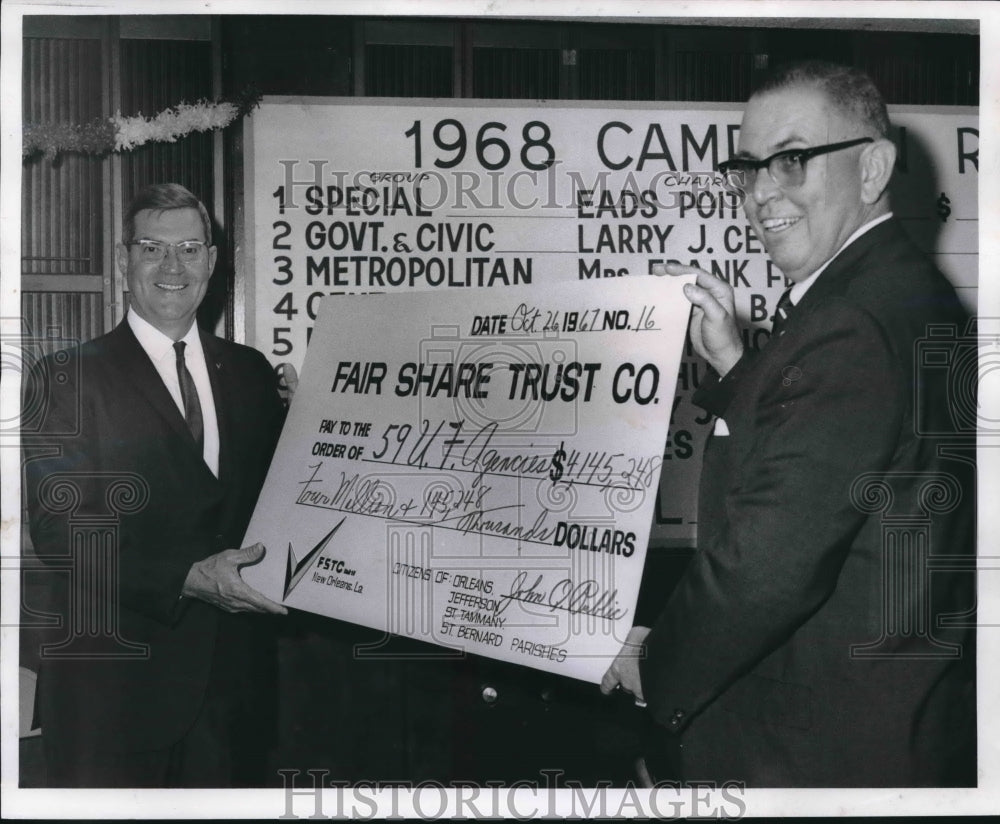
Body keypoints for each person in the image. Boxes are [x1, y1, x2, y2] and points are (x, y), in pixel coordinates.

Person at [601, 61, 976, 787]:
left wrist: (652, 665)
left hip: (815, 755)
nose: (762, 192)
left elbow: (762, 572)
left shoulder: (850, 323)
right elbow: (844, 473)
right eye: (749, 166)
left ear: (873, 168)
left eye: (793, 160)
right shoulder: (903, 294)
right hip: (893, 726)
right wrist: (741, 370)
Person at [24, 183, 289, 787]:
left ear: (213, 263)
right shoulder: (65, 376)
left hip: (232, 700)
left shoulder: (250, 373)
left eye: (190, 249)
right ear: (123, 262)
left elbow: (278, 505)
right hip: (110, 701)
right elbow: (59, 531)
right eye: (152, 248)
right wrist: (186, 577)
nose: (173, 267)